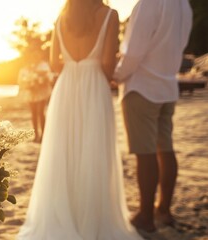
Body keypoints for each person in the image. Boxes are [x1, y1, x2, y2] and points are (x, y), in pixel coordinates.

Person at [17, 0, 142, 239]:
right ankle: (91, 218)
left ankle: (66, 215)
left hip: (66, 86)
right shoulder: (109, 14)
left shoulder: (61, 17)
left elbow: (54, 63)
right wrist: (109, 75)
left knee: (64, 150)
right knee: (93, 149)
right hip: (94, 85)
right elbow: (107, 63)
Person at [114, 0, 192, 234]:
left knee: (145, 152)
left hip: (142, 87)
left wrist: (117, 75)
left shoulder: (149, 3)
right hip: (168, 85)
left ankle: (146, 215)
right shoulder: (183, 5)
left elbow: (134, 51)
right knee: (165, 147)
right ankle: (164, 210)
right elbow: (180, 45)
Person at [17, 51, 53, 143]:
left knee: (41, 112)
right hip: (31, 92)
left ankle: (43, 135)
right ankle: (36, 135)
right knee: (33, 114)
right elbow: (21, 81)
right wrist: (29, 84)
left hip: (42, 92)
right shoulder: (25, 68)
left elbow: (49, 77)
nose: (34, 57)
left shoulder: (43, 65)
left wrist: (41, 81)